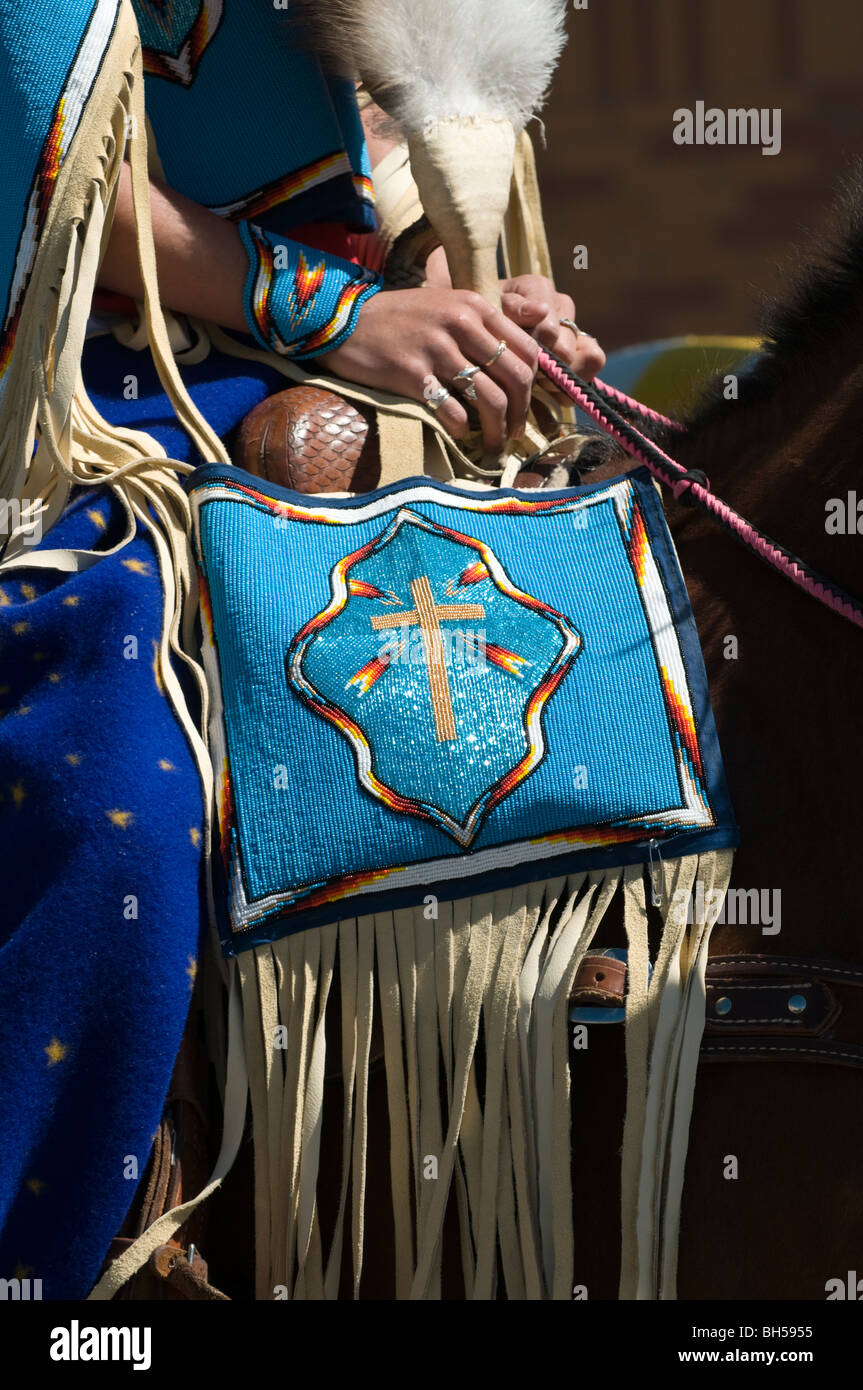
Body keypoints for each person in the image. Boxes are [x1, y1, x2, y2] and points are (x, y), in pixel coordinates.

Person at [0, 0, 602, 1298]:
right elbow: (63, 167)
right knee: (114, 748)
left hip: (348, 377)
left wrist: (479, 320)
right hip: (92, 385)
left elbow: (407, 159)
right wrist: (333, 311)